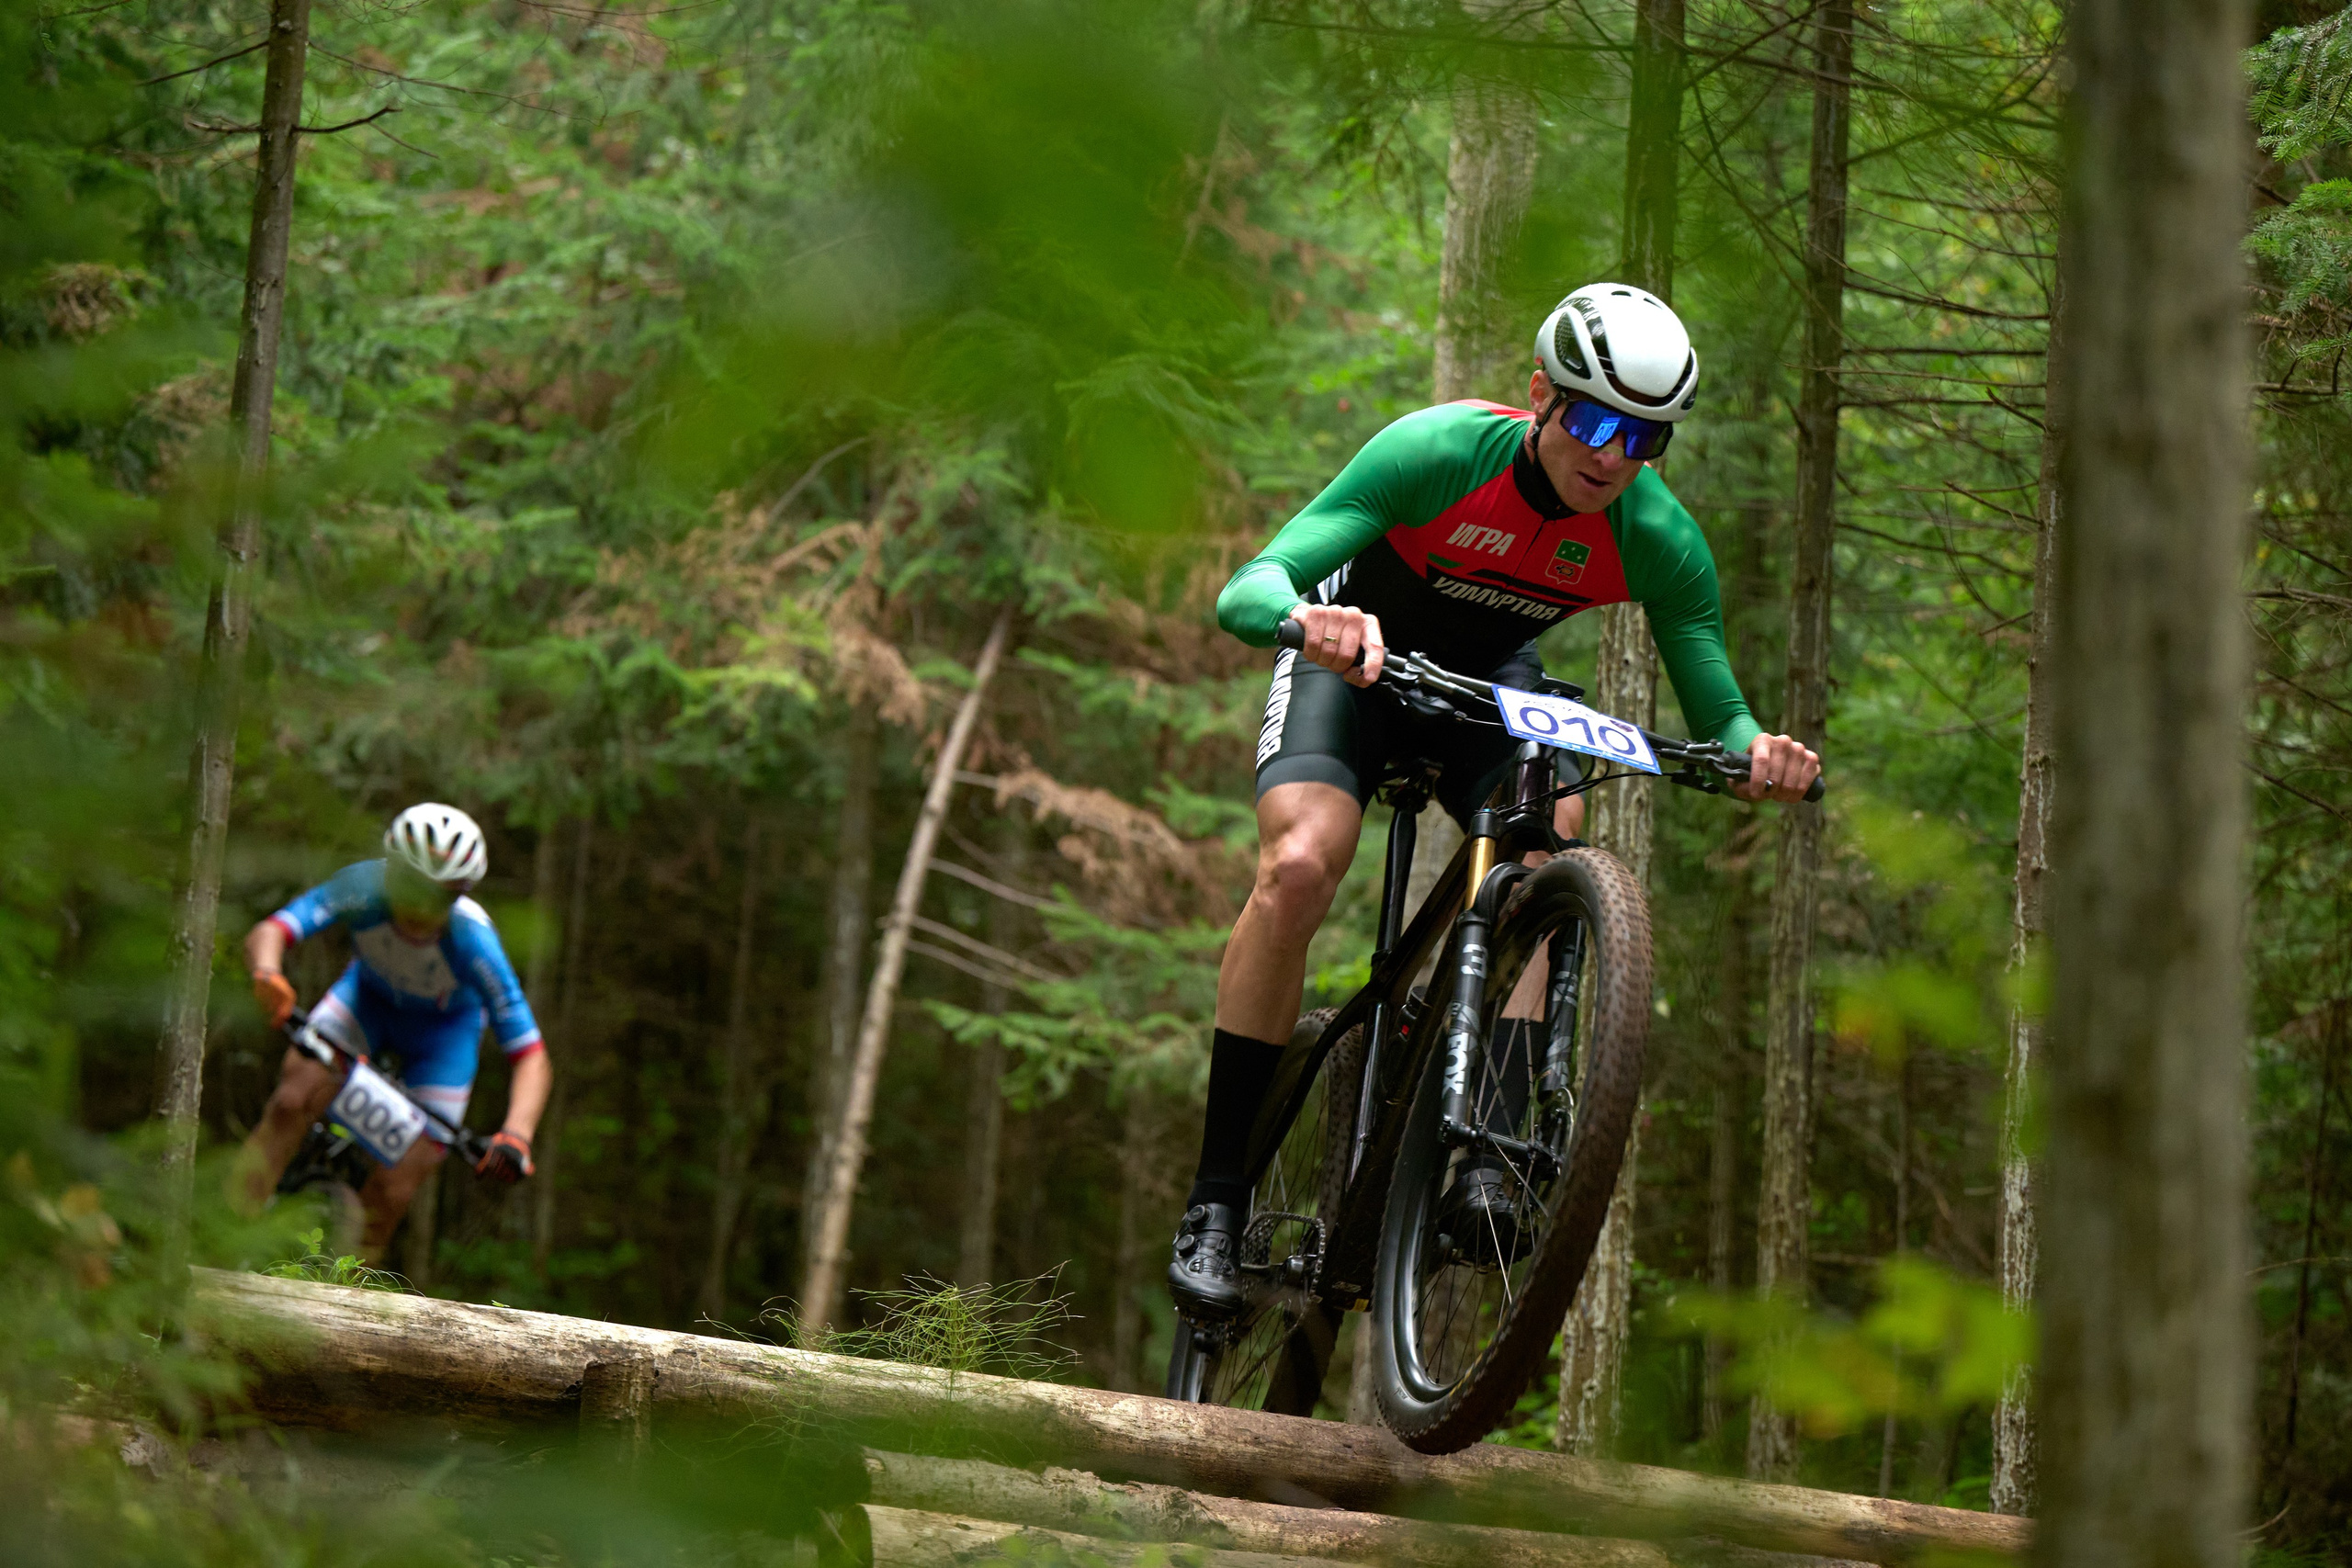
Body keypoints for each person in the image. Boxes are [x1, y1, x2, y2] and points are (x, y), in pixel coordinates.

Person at [1168, 283, 1822, 1315]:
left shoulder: (1656, 535)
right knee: (1298, 867)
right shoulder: (1435, 455)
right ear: (1540, 397)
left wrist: (1758, 753)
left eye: (1645, 438)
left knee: (1547, 829)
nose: (1613, 457)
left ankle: (1491, 1140)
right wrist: (1307, 620)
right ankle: (1214, 1198)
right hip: (1361, 667)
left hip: (1485, 685)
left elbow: (1718, 708)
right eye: (1597, 421)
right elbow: (1246, 591)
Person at [232, 803, 553, 1262]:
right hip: (367, 1004)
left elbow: (531, 1055)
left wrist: (516, 1134)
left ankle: (348, 1290)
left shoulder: (474, 943)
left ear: (458, 895)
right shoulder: (362, 887)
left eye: (438, 896)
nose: (420, 907)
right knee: (290, 1100)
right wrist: (268, 975)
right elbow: (272, 930)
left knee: (402, 1179)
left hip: (443, 1039)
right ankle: (220, 1237)